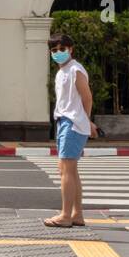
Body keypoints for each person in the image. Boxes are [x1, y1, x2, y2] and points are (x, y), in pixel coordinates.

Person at [44, 33, 98, 228]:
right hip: (65, 121)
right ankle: (76, 214)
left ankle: (66, 215)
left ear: (70, 49)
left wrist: (86, 120)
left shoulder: (75, 70)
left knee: (66, 169)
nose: (58, 53)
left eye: (61, 49)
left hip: (72, 123)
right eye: (54, 50)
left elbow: (87, 97)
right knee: (68, 170)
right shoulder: (62, 72)